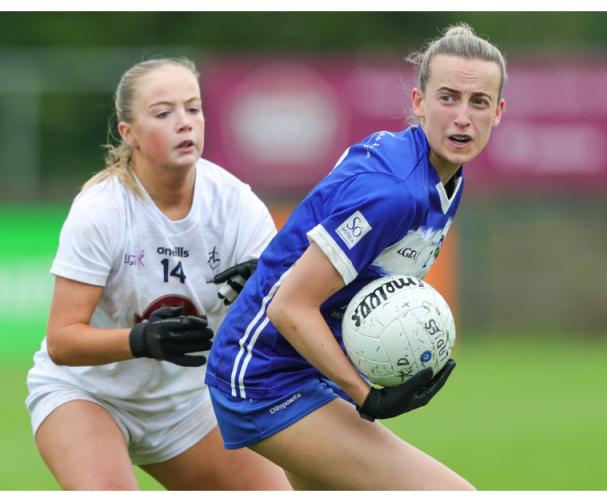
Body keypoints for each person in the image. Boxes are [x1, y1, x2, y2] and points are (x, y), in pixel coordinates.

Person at [205, 23, 506, 490]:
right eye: (447, 98)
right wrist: (368, 398)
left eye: (478, 102)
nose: (462, 117)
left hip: (306, 369)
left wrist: (279, 261)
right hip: (265, 380)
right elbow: (289, 305)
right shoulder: (397, 192)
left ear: (498, 112)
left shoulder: (438, 170)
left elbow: (322, 213)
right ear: (419, 102)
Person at [25, 57, 290, 490]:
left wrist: (261, 296)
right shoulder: (101, 210)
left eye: (193, 108)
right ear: (129, 134)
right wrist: (141, 340)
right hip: (87, 395)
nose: (184, 123)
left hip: (186, 408)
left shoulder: (236, 204)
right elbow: (62, 341)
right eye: (163, 113)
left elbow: (283, 321)